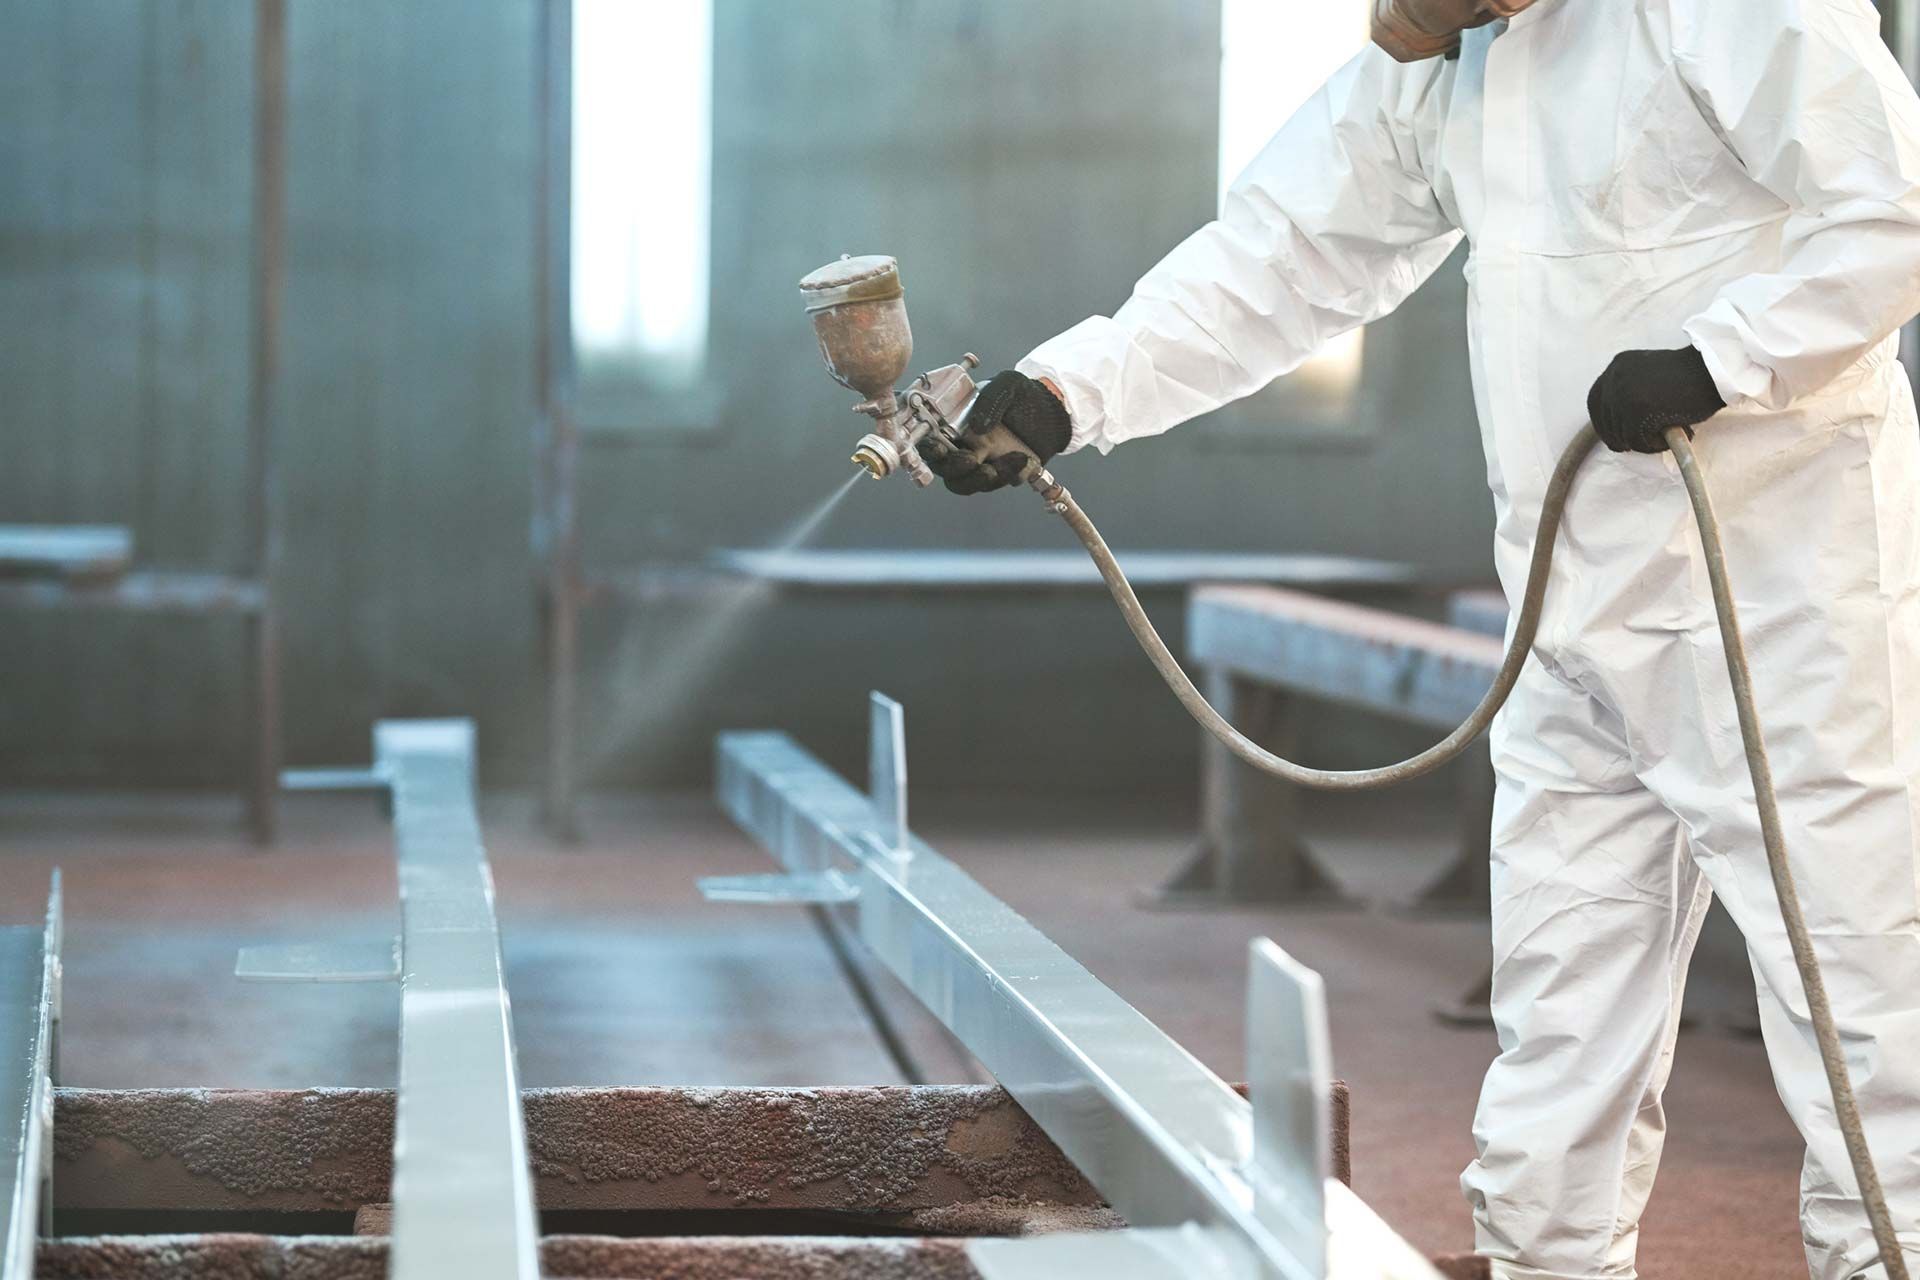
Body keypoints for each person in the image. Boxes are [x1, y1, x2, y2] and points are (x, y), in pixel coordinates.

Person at [923, 2, 1920, 1276]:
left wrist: (1725, 358)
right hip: (1570, 608)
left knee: (1863, 1008)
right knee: (1563, 1006)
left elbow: (1894, 205)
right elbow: (1280, 258)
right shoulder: (1457, 50)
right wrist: (1074, 389)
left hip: (1779, 599)